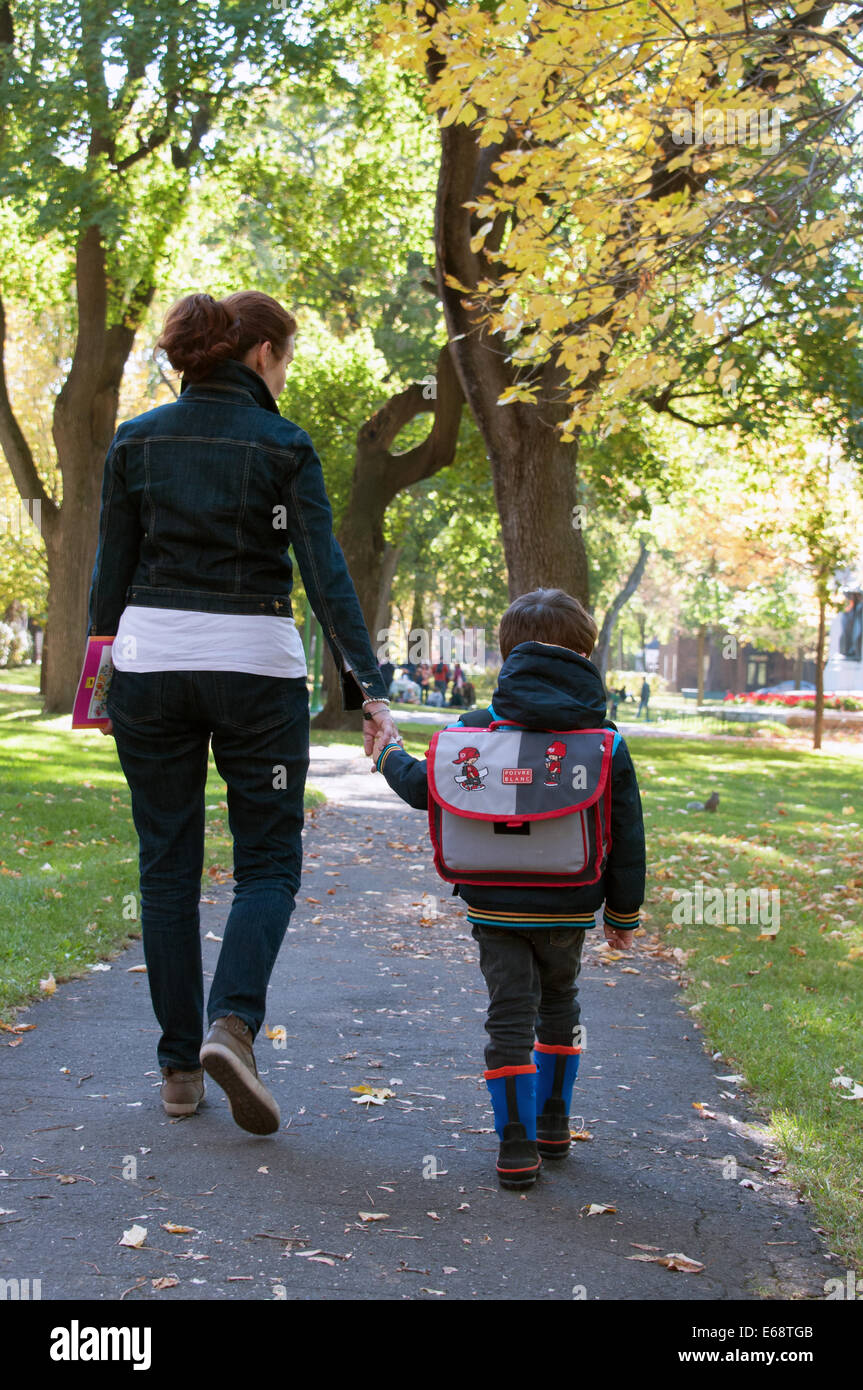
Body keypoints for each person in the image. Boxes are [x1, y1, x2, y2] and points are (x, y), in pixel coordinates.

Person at [87, 290, 400, 1136]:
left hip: (152, 662)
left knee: (167, 864)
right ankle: (233, 1023)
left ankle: (178, 1068)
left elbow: (110, 571)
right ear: (260, 352)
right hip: (255, 665)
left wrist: (97, 681)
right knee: (267, 861)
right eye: (286, 357)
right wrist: (367, 686)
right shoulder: (284, 446)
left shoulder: (135, 439)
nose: (285, 373)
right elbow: (324, 571)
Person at [371, 588, 645, 1188]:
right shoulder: (605, 741)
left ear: (507, 652)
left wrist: (386, 751)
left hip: (495, 903)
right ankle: (554, 1125)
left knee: (507, 1015)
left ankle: (516, 1148)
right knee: (560, 1004)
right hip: (571, 902)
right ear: (585, 653)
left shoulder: (473, 730)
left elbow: (423, 788)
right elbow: (626, 834)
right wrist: (622, 915)